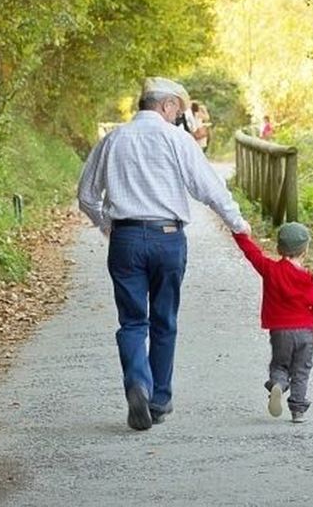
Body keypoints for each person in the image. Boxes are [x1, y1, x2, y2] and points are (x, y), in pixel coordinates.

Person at [77, 76, 251, 431]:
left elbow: (86, 196)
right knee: (164, 320)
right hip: (168, 238)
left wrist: (107, 225)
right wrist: (237, 223)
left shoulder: (113, 140)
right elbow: (209, 188)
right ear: (166, 105)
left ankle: (138, 384)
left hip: (126, 238)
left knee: (131, 322)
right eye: (178, 110)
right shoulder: (177, 139)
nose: (178, 117)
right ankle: (158, 400)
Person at [232, 222, 313, 423]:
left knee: (280, 365)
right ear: (305, 250)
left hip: (280, 332)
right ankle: (298, 411)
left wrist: (239, 233)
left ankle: (278, 385)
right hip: (305, 332)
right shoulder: (308, 279)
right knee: (301, 370)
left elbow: (252, 253)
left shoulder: (270, 269)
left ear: (279, 248)